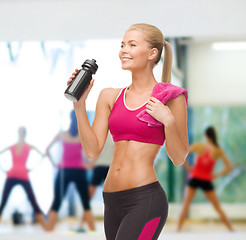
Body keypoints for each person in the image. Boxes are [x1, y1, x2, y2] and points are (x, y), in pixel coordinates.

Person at [68, 23, 189, 240]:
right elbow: (92, 150)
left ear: (152, 53)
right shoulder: (109, 96)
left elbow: (179, 158)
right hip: (111, 199)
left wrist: (168, 121)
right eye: (122, 45)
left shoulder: (171, 98)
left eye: (132, 45)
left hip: (145, 199)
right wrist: (79, 105)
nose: (124, 50)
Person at [45, 110, 95, 232]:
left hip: (65, 170)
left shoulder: (62, 134)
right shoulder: (82, 136)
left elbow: (47, 149)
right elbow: (94, 152)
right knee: (86, 203)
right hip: (79, 171)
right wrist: (89, 164)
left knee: (56, 202)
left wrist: (54, 164)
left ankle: (48, 232)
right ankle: (94, 233)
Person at [177, 126, 234, 232]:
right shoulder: (218, 150)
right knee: (217, 207)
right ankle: (232, 231)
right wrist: (216, 175)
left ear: (205, 135)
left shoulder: (199, 146)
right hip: (206, 180)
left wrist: (188, 167)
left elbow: (182, 154)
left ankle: (177, 231)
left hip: (195, 177)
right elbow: (229, 167)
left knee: (186, 205)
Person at [0, 127, 46, 229]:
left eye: (22, 132)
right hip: (11, 175)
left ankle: (45, 226)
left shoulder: (28, 146)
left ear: (25, 134)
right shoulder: (13, 146)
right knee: (3, 201)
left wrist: (32, 168)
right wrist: (3, 169)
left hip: (23, 175)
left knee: (33, 200)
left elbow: (43, 155)